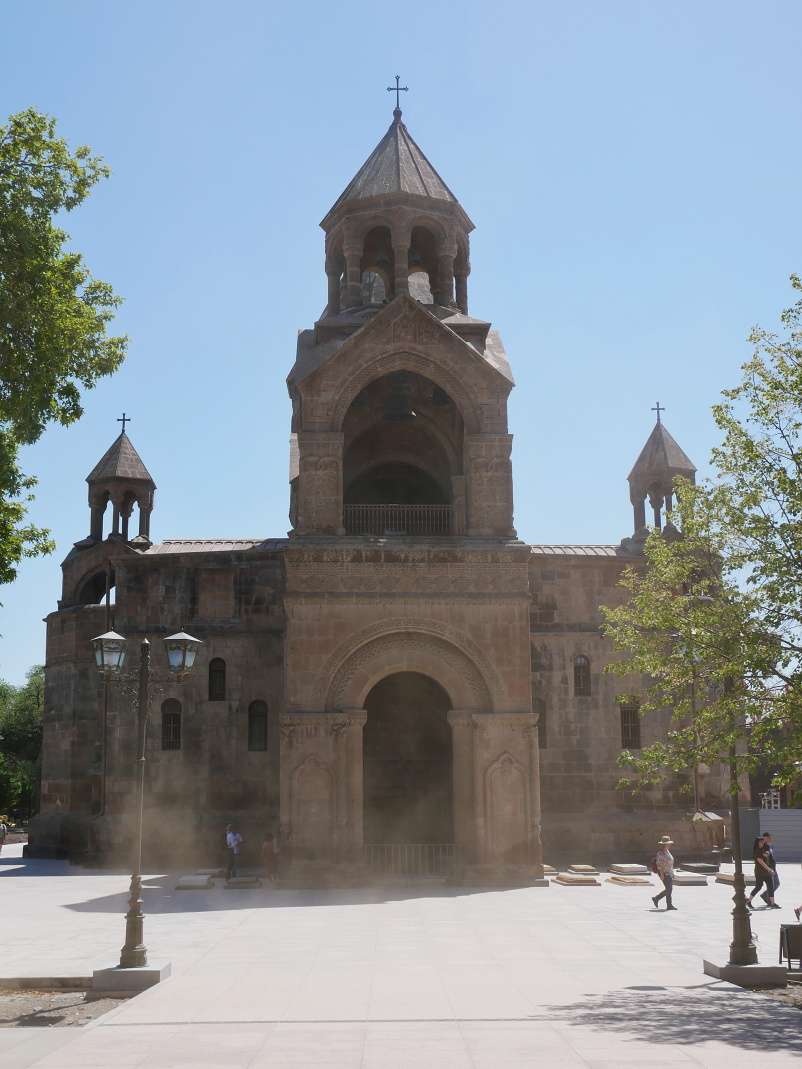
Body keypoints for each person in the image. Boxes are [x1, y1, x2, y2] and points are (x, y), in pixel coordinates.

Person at [651, 835, 677, 911]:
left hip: (669, 872)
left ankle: (656, 898)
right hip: (664, 873)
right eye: (668, 843)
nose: (669, 845)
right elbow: (659, 865)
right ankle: (669, 905)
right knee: (669, 889)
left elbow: (670, 863)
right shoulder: (660, 853)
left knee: (669, 889)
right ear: (664, 844)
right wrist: (662, 874)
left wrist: (672, 873)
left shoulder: (667, 851)